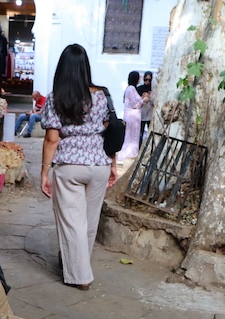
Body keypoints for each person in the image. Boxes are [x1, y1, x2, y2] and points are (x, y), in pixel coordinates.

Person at [39, 44, 117, 291]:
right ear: (86, 68)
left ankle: (80, 276)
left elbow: (52, 139)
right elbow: (109, 132)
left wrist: (44, 171)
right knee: (89, 221)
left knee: (72, 222)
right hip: (99, 164)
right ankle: (74, 262)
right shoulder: (102, 96)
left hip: (69, 166)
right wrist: (113, 164)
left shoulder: (55, 99)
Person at [116, 71, 147, 162]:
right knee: (131, 138)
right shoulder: (131, 89)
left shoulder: (130, 89)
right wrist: (143, 100)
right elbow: (135, 103)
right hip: (132, 118)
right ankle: (129, 153)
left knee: (130, 137)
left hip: (131, 117)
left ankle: (129, 153)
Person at [137, 71, 154, 147]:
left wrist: (150, 96)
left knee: (151, 132)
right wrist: (142, 97)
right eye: (145, 79)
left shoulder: (153, 89)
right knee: (140, 132)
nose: (147, 81)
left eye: (149, 80)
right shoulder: (139, 89)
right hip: (142, 114)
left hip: (150, 114)